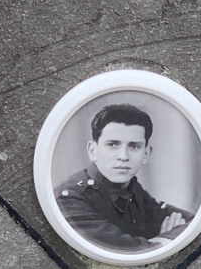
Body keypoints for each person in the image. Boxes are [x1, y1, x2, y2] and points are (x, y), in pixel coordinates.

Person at [55, 103, 193, 252]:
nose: (123, 156)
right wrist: (165, 240)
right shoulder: (70, 199)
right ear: (92, 150)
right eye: (113, 145)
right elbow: (128, 254)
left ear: (145, 154)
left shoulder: (132, 188)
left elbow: (193, 222)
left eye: (134, 146)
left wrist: (159, 241)